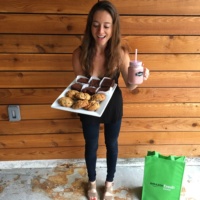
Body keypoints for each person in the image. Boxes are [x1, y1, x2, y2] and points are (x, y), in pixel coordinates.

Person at [72, 1, 149, 200]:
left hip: (113, 105)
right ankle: (91, 183)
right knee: (91, 145)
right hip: (89, 105)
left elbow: (130, 86)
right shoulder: (79, 54)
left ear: (113, 27)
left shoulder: (121, 53)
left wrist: (139, 77)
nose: (101, 30)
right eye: (96, 24)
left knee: (112, 144)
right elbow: (81, 87)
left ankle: (109, 184)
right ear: (90, 26)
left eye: (106, 25)